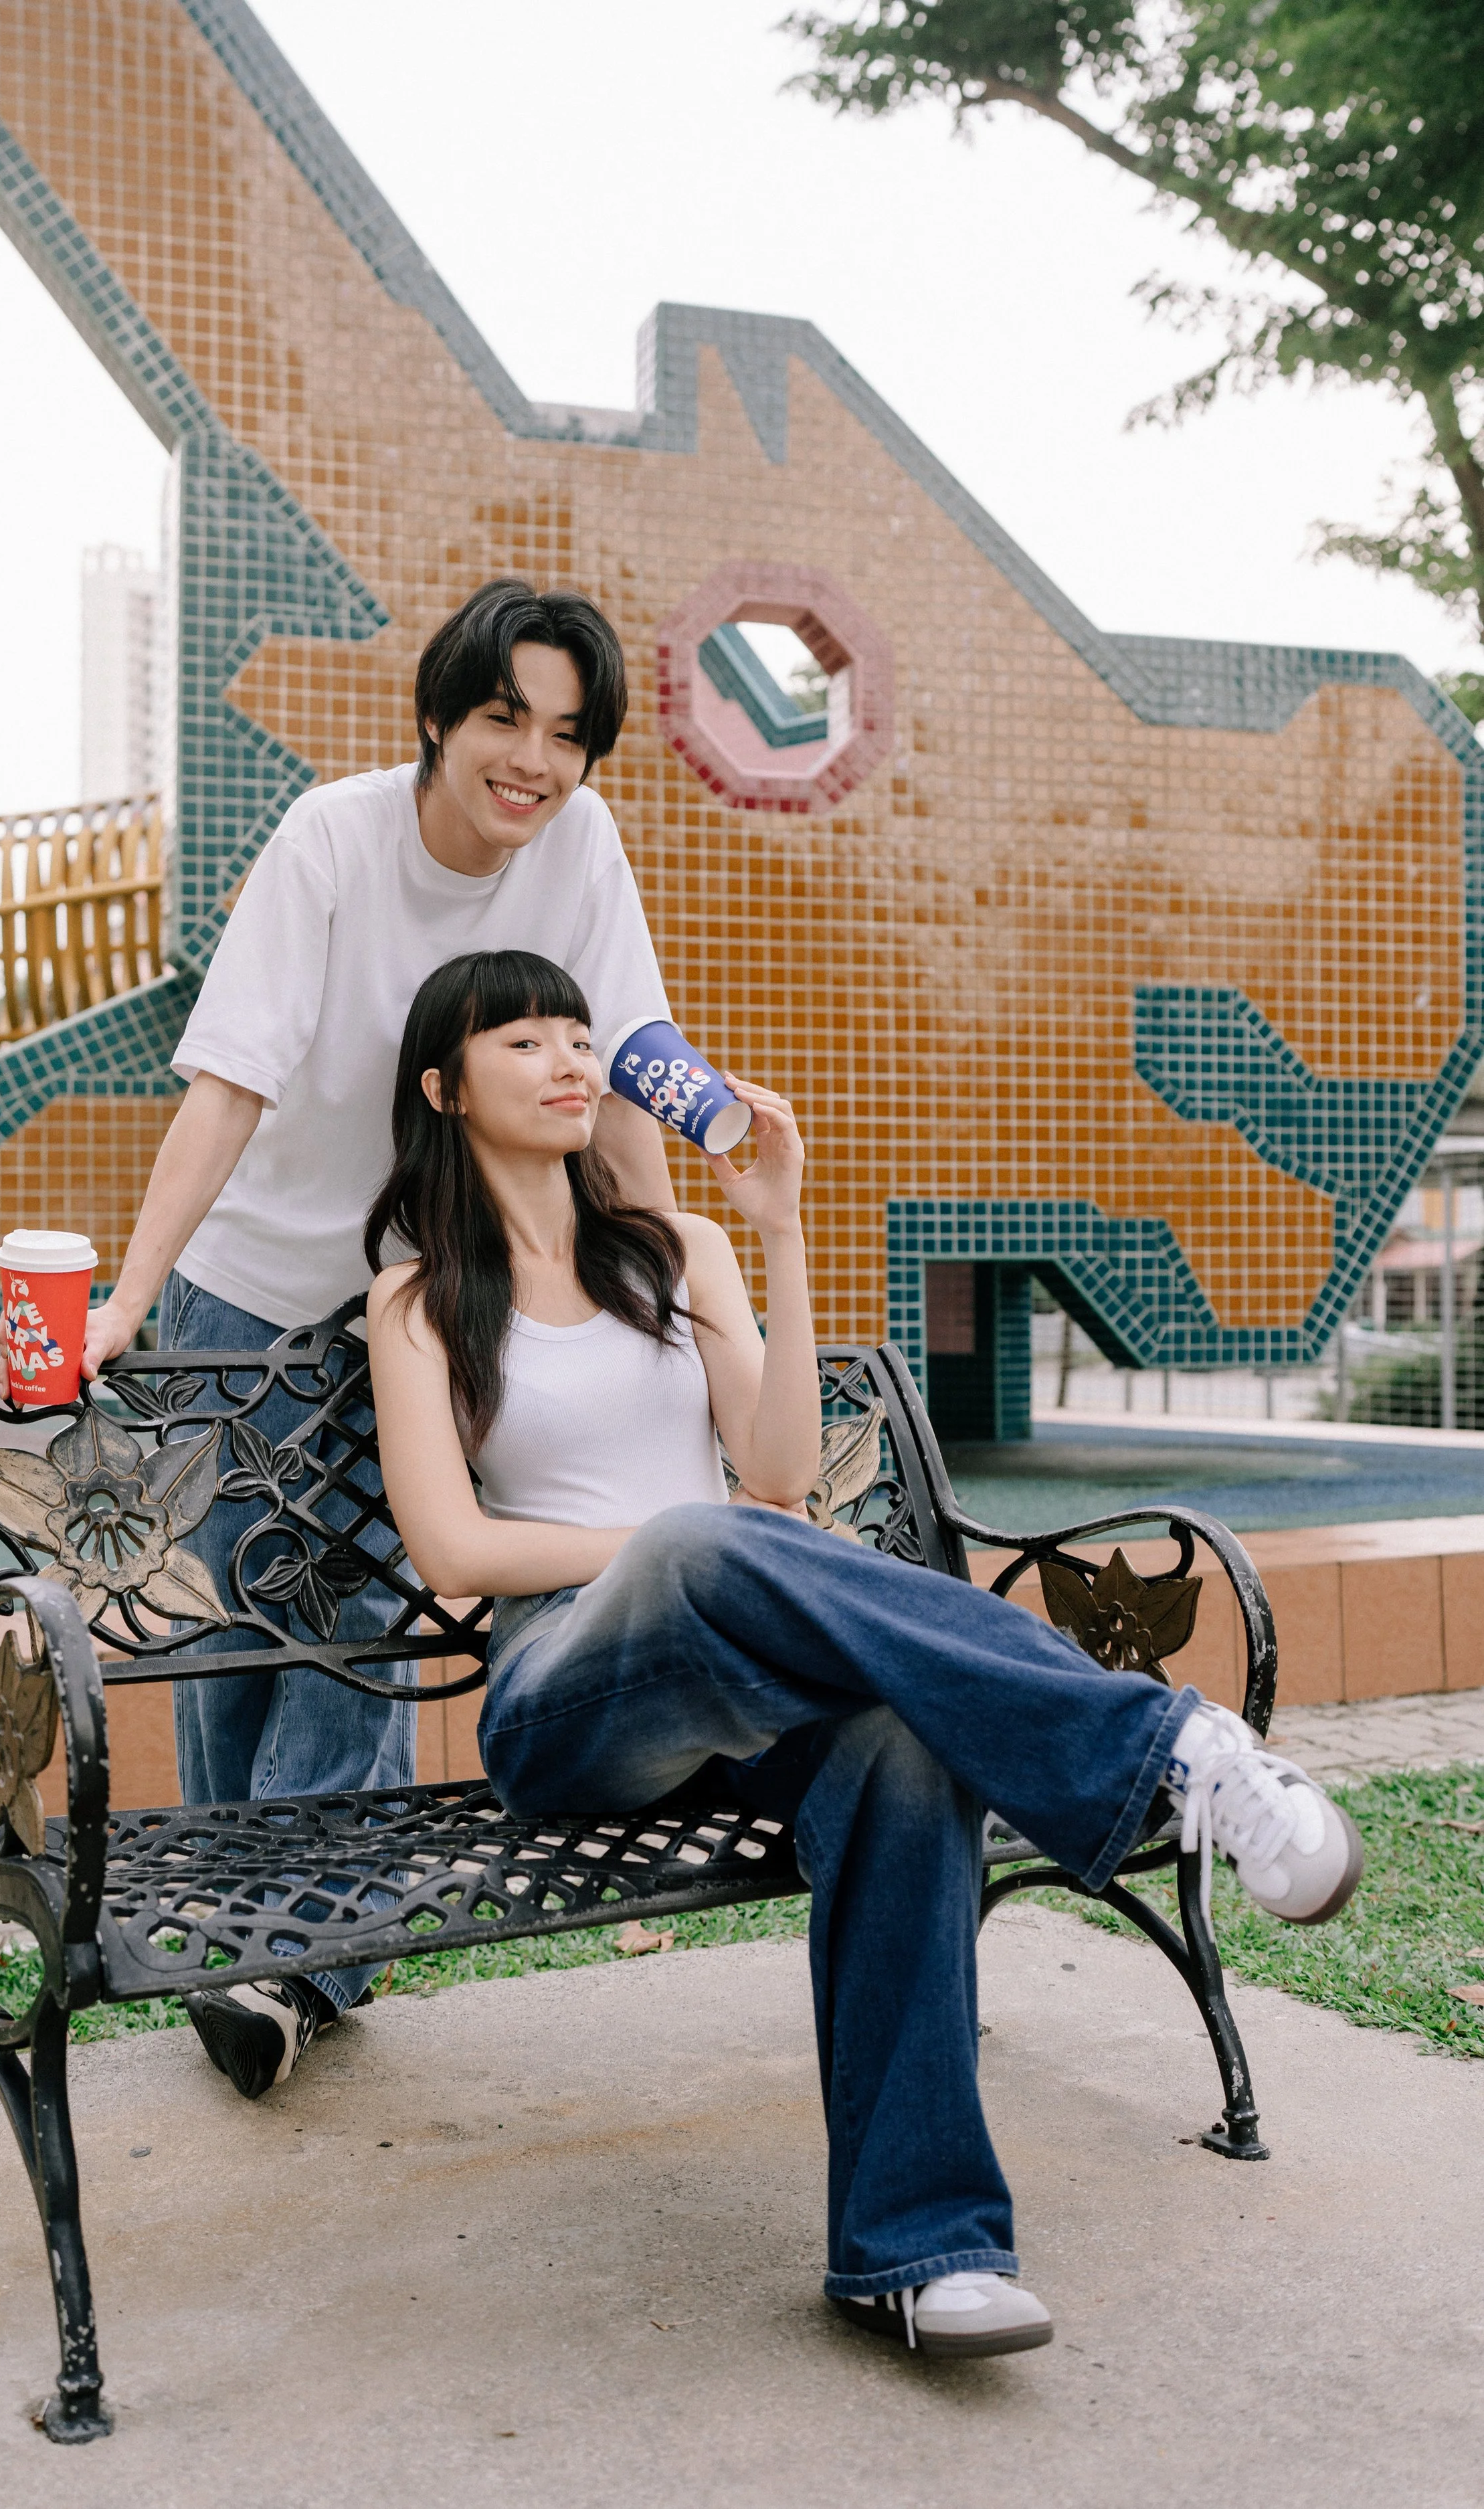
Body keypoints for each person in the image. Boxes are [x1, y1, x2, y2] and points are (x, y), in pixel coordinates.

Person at [365, 947, 1364, 2362]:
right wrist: (672, 1539)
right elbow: (456, 1551)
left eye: (577, 1034)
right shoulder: (416, 1300)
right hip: (568, 1703)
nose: (569, 1060)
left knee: (899, 1744)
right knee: (699, 1542)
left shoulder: (676, 1253)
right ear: (444, 1089)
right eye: (522, 1040)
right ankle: (1166, 1747)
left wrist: (775, 1230)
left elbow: (778, 1474)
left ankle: (920, 2252)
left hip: (737, 1671)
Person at [82, 581, 677, 2099]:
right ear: (437, 718)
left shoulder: (581, 849)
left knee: (352, 1614)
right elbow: (228, 1081)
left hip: (423, 1291)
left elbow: (618, 1073)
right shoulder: (332, 840)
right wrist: (133, 1297)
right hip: (251, 1284)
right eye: (504, 720)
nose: (533, 762)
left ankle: (298, 1952)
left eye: (567, 735)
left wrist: (663, 1283)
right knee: (232, 1630)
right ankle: (246, 1938)